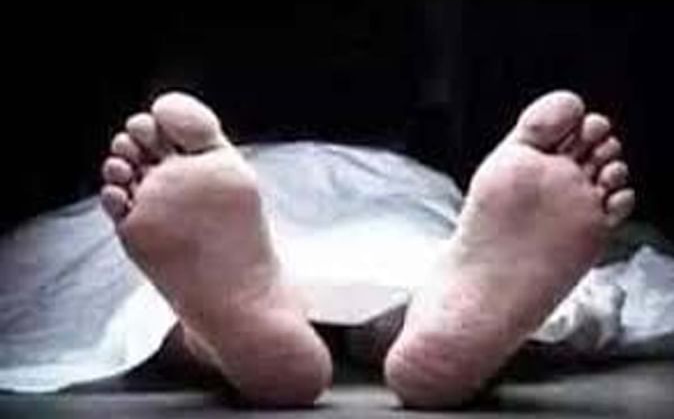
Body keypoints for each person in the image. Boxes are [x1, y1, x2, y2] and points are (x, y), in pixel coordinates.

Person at [99, 89, 634, 408]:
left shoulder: (172, 168)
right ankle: (414, 320)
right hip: (406, 208)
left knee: (126, 296)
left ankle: (209, 342)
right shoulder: (413, 170)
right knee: (421, 248)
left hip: (241, 212)